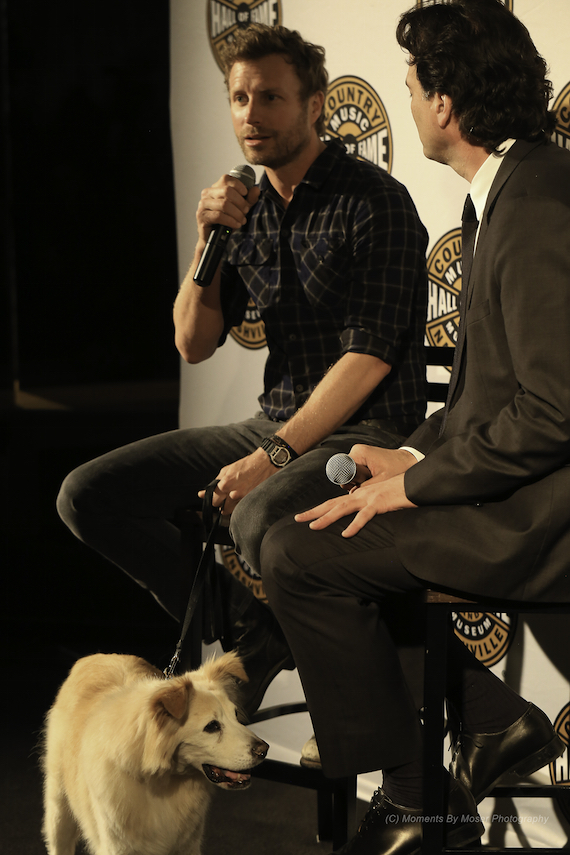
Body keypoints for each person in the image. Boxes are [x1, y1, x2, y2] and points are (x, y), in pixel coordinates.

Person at [260, 1, 570, 852]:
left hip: (539, 514)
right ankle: (482, 732)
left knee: (299, 555)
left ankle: (416, 797)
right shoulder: (515, 187)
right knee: (311, 528)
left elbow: (553, 412)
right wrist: (406, 454)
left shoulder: (539, 201)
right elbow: (490, 398)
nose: (402, 99)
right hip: (507, 487)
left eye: (408, 84)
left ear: (443, 102)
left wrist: (418, 484)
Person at [56, 24, 428, 716]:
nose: (250, 116)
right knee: (87, 495)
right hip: (275, 421)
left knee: (257, 511)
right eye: (239, 98)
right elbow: (191, 342)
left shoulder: (373, 200)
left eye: (270, 98)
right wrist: (208, 243)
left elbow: (369, 357)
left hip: (366, 429)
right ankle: (255, 634)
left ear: (315, 105)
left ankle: (356, 703)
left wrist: (271, 456)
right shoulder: (243, 207)